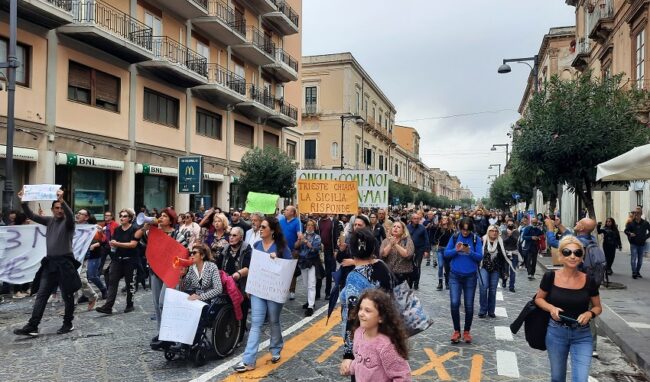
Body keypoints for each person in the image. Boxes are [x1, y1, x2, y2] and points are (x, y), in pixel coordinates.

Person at [534, 236, 602, 382]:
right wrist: (551, 308)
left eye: (577, 253)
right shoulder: (550, 277)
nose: (572, 256)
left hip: (582, 335)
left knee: (581, 379)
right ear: (560, 256)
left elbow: (598, 307)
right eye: (567, 252)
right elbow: (538, 299)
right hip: (556, 333)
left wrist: (589, 313)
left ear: (581, 257)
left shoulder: (589, 280)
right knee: (558, 378)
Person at [14, 188, 79, 336]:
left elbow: (70, 215)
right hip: (50, 263)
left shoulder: (69, 223)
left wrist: (63, 201)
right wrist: (24, 201)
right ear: (52, 210)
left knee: (67, 295)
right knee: (42, 294)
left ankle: (68, 323)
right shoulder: (49, 221)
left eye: (61, 207)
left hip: (65, 263)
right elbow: (31, 215)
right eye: (57, 208)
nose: (60, 210)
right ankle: (33, 326)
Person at [234, 217, 292, 372]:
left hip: (274, 291)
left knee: (274, 320)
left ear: (272, 230)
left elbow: (289, 268)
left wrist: (277, 259)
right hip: (258, 290)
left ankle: (276, 347)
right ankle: (248, 360)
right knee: (256, 323)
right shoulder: (257, 246)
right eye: (260, 227)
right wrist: (249, 287)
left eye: (263, 227)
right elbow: (254, 268)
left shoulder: (282, 248)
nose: (260, 229)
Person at [339, 228, 394, 381]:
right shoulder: (382, 266)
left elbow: (353, 315)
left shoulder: (354, 277)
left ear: (351, 250)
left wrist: (348, 354)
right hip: (387, 334)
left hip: (365, 340)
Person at [340, 289, 412, 382]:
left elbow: (403, 377)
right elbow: (360, 360)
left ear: (381, 317)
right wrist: (350, 368)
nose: (361, 313)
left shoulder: (386, 347)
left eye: (367, 310)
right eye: (360, 308)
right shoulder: (358, 333)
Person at [143, 207, 190, 348]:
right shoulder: (153, 233)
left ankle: (171, 332)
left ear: (170, 220)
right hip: (155, 272)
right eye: (160, 216)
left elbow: (183, 253)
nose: (161, 218)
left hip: (170, 273)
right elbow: (141, 242)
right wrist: (146, 228)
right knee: (157, 304)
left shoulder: (178, 235)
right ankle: (162, 333)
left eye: (164, 216)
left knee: (164, 302)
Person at [95, 208, 143, 315]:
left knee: (130, 283)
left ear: (130, 218)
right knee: (112, 282)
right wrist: (111, 242)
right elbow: (114, 242)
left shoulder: (135, 229)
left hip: (131, 260)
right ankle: (108, 306)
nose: (122, 218)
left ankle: (129, 305)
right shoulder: (117, 229)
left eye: (125, 216)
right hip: (118, 259)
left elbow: (133, 244)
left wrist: (117, 244)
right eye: (121, 216)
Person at [444, 217, 483, 344]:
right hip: (455, 275)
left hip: (470, 276)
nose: (465, 232)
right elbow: (446, 253)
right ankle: (456, 331)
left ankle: (466, 331)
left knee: (469, 306)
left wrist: (469, 251)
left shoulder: (475, 238)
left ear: (471, 229)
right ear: (460, 228)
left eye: (467, 229)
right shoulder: (455, 237)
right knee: (454, 303)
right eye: (463, 229)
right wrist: (457, 249)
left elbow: (479, 256)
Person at [216, 226, 251, 342]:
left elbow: (248, 267)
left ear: (241, 237)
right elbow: (217, 265)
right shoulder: (225, 249)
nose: (231, 237)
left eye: (234, 235)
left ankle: (239, 335)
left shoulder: (247, 249)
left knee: (242, 309)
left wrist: (237, 274)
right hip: (227, 284)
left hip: (241, 285)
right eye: (230, 235)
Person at [478, 225, 510, 318]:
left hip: (495, 269)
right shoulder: (482, 240)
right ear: (488, 231)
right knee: (483, 288)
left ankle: (491, 311)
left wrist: (504, 271)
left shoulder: (500, 242)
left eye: (496, 231)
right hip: (483, 267)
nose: (494, 232)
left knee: (493, 290)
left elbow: (503, 257)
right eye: (492, 231)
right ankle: (483, 310)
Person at [296, 219, 322, 317]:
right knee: (306, 284)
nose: (309, 227)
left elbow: (315, 249)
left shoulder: (317, 237)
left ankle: (310, 306)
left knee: (311, 284)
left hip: (312, 262)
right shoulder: (302, 235)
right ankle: (309, 300)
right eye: (308, 225)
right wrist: (299, 240)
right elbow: (296, 246)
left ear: (314, 227)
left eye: (311, 225)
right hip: (303, 262)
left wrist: (305, 241)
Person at [380, 220, 415, 285]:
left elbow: (407, 255)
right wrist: (390, 244)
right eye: (394, 226)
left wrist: (395, 244)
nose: (395, 228)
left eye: (398, 227)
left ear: (403, 231)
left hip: (404, 275)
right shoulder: (385, 241)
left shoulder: (408, 241)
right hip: (389, 274)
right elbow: (382, 255)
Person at [279, 205, 303, 300]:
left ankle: (292, 290)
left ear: (292, 213)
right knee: (281, 270)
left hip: (292, 250)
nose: (285, 211)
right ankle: (282, 289)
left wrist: (299, 239)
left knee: (291, 271)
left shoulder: (297, 222)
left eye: (287, 210)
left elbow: (299, 234)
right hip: (281, 249)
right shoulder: (281, 221)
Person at [318, 214, 343, 300]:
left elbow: (336, 236)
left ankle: (327, 292)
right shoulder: (318, 221)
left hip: (330, 250)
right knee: (319, 271)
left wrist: (336, 249)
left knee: (329, 272)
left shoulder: (333, 221)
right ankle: (317, 293)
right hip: (320, 250)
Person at [429, 215, 454, 291]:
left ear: (448, 221)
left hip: (447, 250)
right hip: (440, 249)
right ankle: (440, 283)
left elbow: (453, 240)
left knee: (447, 267)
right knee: (440, 266)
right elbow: (435, 238)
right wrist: (437, 243)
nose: (444, 220)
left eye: (445, 219)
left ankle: (447, 282)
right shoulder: (439, 229)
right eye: (443, 218)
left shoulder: (451, 230)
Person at [406, 212, 429, 290]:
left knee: (417, 266)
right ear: (411, 219)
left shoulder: (422, 228)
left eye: (418, 218)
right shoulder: (407, 227)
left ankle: (416, 282)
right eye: (414, 218)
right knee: (409, 265)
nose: (416, 220)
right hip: (409, 249)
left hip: (419, 249)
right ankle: (410, 282)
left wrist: (426, 250)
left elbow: (426, 239)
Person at [624, 210, 650, 279]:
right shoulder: (631, 223)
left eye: (638, 213)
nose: (636, 214)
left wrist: (645, 237)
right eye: (635, 213)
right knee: (633, 258)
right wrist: (630, 234)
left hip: (641, 243)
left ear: (641, 214)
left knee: (640, 260)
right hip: (633, 243)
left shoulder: (645, 223)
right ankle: (634, 272)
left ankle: (637, 271)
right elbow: (626, 230)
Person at [502, 219, 520, 292]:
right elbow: (504, 241)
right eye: (509, 224)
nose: (510, 226)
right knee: (506, 270)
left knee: (513, 270)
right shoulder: (504, 231)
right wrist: (509, 236)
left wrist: (511, 235)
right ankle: (504, 280)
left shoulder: (516, 232)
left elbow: (515, 240)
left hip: (514, 252)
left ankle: (511, 286)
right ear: (506, 224)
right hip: (506, 253)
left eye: (511, 224)